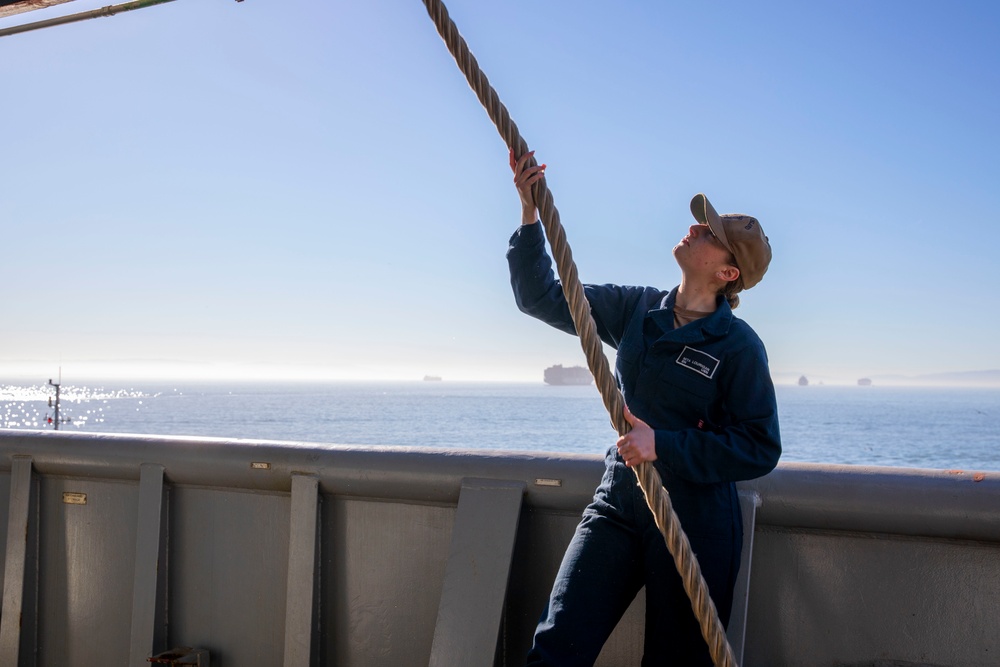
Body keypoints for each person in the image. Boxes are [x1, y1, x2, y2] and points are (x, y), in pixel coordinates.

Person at [506, 149, 781, 666]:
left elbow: (760, 446)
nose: (695, 229)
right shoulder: (638, 309)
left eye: (710, 233)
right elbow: (541, 296)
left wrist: (665, 445)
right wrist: (529, 213)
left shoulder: (739, 347)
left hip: (696, 526)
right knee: (555, 650)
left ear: (727, 271)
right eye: (701, 223)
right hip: (619, 503)